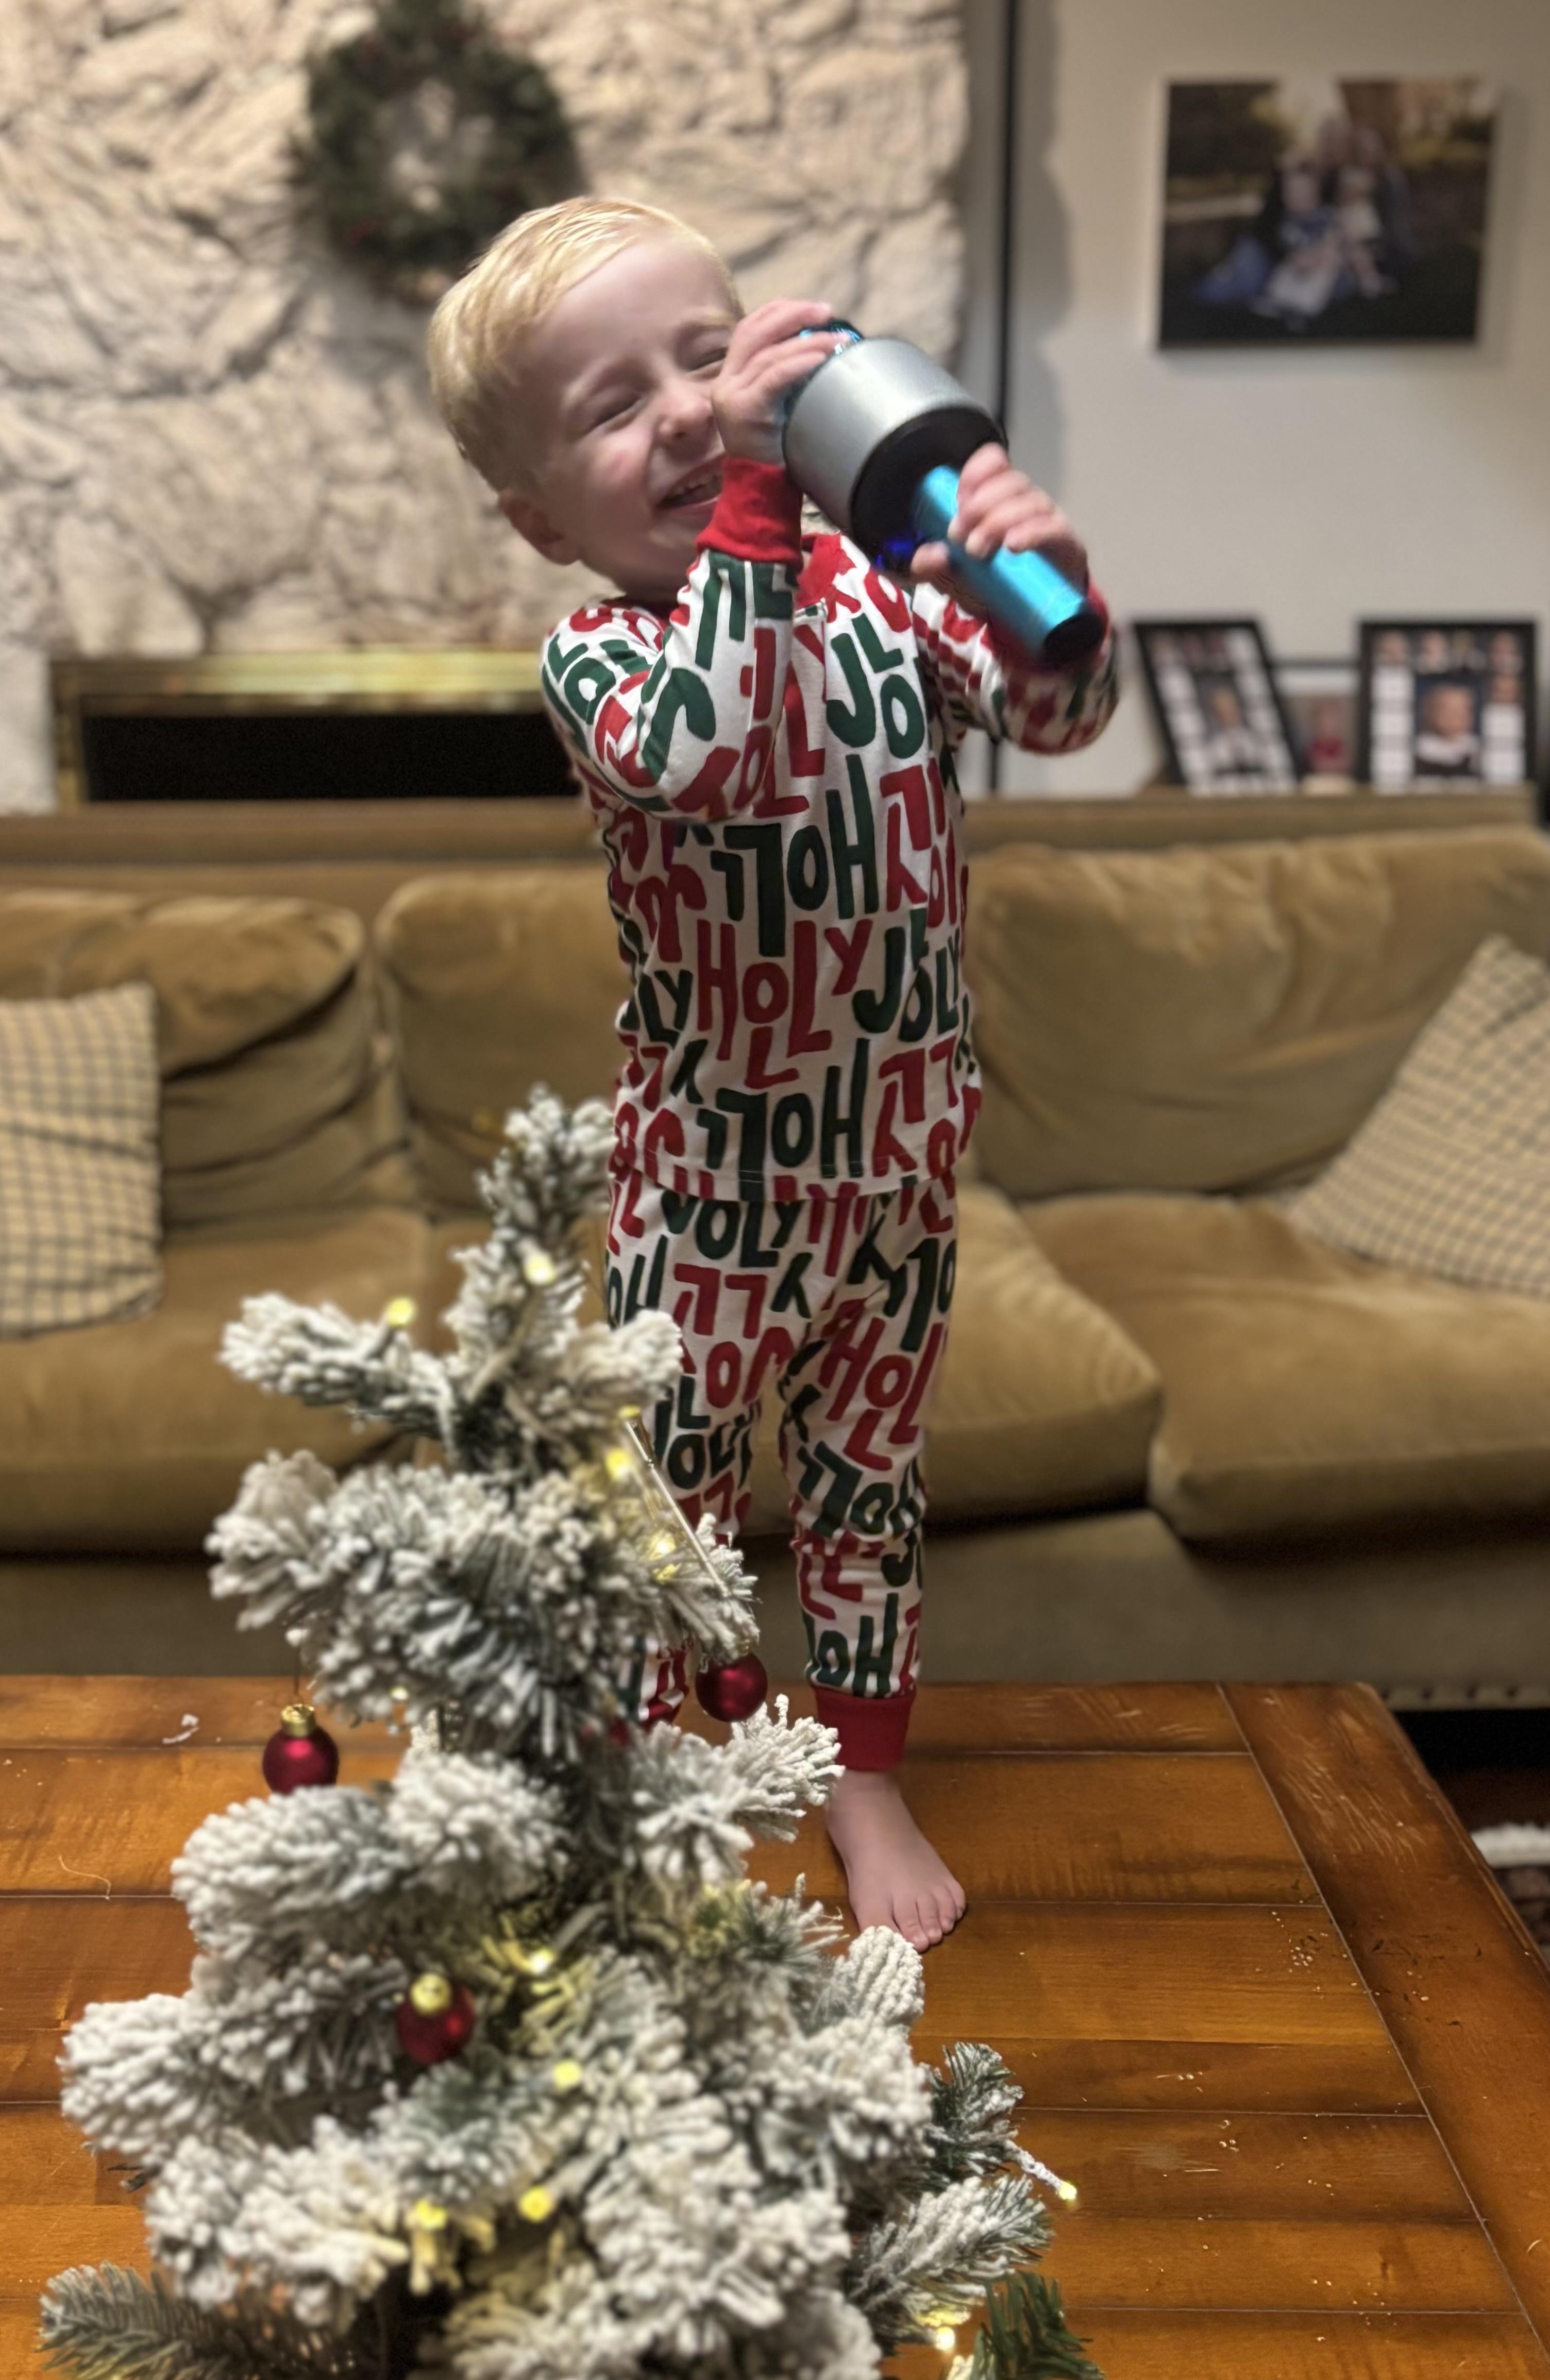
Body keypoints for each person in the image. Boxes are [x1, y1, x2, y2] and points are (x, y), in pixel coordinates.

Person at [427, 196, 1118, 1949]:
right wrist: (751, 494)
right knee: (674, 1489)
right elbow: (717, 756)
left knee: (869, 1487)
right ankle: (661, 1779)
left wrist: (1045, 591)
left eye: (705, 354)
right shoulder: (605, 660)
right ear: (534, 517)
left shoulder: (877, 584)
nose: (680, 409)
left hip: (894, 1157)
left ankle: (855, 1764)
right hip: (712, 1180)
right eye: (610, 405)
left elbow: (1058, 716)